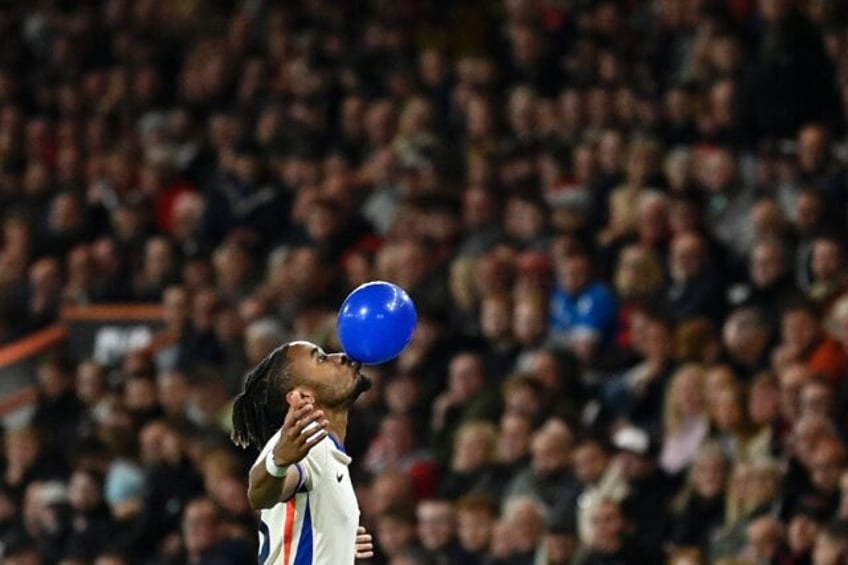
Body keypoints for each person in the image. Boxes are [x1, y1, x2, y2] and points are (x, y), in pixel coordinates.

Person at [230, 340, 375, 564]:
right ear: (304, 397)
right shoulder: (311, 442)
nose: (340, 356)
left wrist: (340, 540)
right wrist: (278, 463)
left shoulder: (326, 449)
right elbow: (259, 495)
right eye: (322, 359)